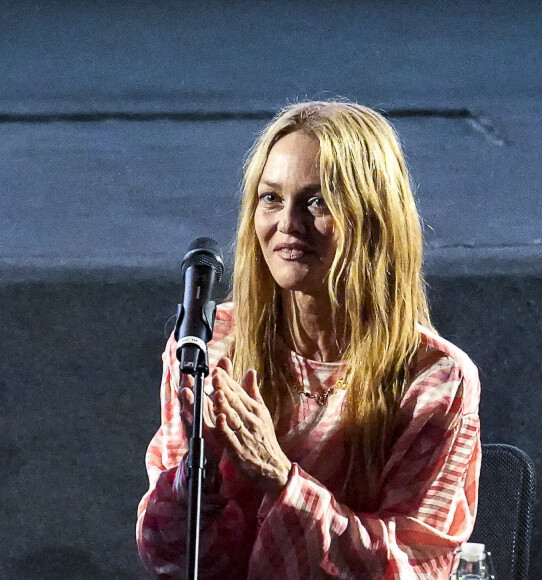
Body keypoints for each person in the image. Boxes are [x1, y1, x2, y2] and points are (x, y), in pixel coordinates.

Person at [136, 101, 481, 579]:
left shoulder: (434, 379)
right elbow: (169, 559)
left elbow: (411, 571)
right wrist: (202, 471)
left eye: (317, 202)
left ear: (374, 219)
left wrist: (281, 480)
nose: (288, 224)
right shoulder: (208, 349)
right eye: (271, 198)